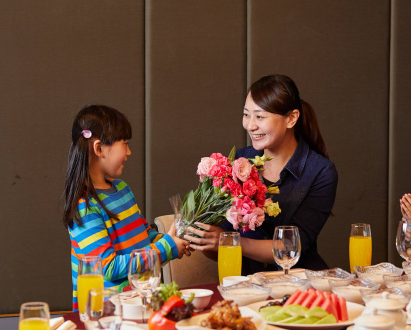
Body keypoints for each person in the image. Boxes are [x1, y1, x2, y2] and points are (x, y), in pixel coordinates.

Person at [183, 75, 338, 275]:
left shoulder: (320, 172)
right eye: (246, 114)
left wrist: (230, 241)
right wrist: (205, 239)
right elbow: (219, 245)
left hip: (298, 283)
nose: (250, 125)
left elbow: (292, 246)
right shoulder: (238, 163)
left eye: (260, 116)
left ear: (291, 118)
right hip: (246, 284)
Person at [62, 105, 190, 311]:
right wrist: (167, 248)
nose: (129, 152)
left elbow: (143, 236)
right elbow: (108, 267)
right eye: (125, 144)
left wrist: (174, 241)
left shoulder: (122, 188)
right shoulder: (84, 206)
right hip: (106, 313)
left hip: (140, 302)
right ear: (99, 148)